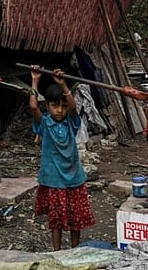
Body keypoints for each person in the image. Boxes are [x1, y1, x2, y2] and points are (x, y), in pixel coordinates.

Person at [29, 65, 96, 250]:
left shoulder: (71, 122)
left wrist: (63, 84)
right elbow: (33, 106)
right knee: (56, 220)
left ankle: (75, 251)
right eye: (54, 105)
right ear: (48, 106)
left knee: (76, 219)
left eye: (62, 106)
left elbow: (73, 107)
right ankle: (57, 253)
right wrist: (35, 79)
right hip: (53, 179)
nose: (60, 110)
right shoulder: (44, 124)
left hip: (74, 177)